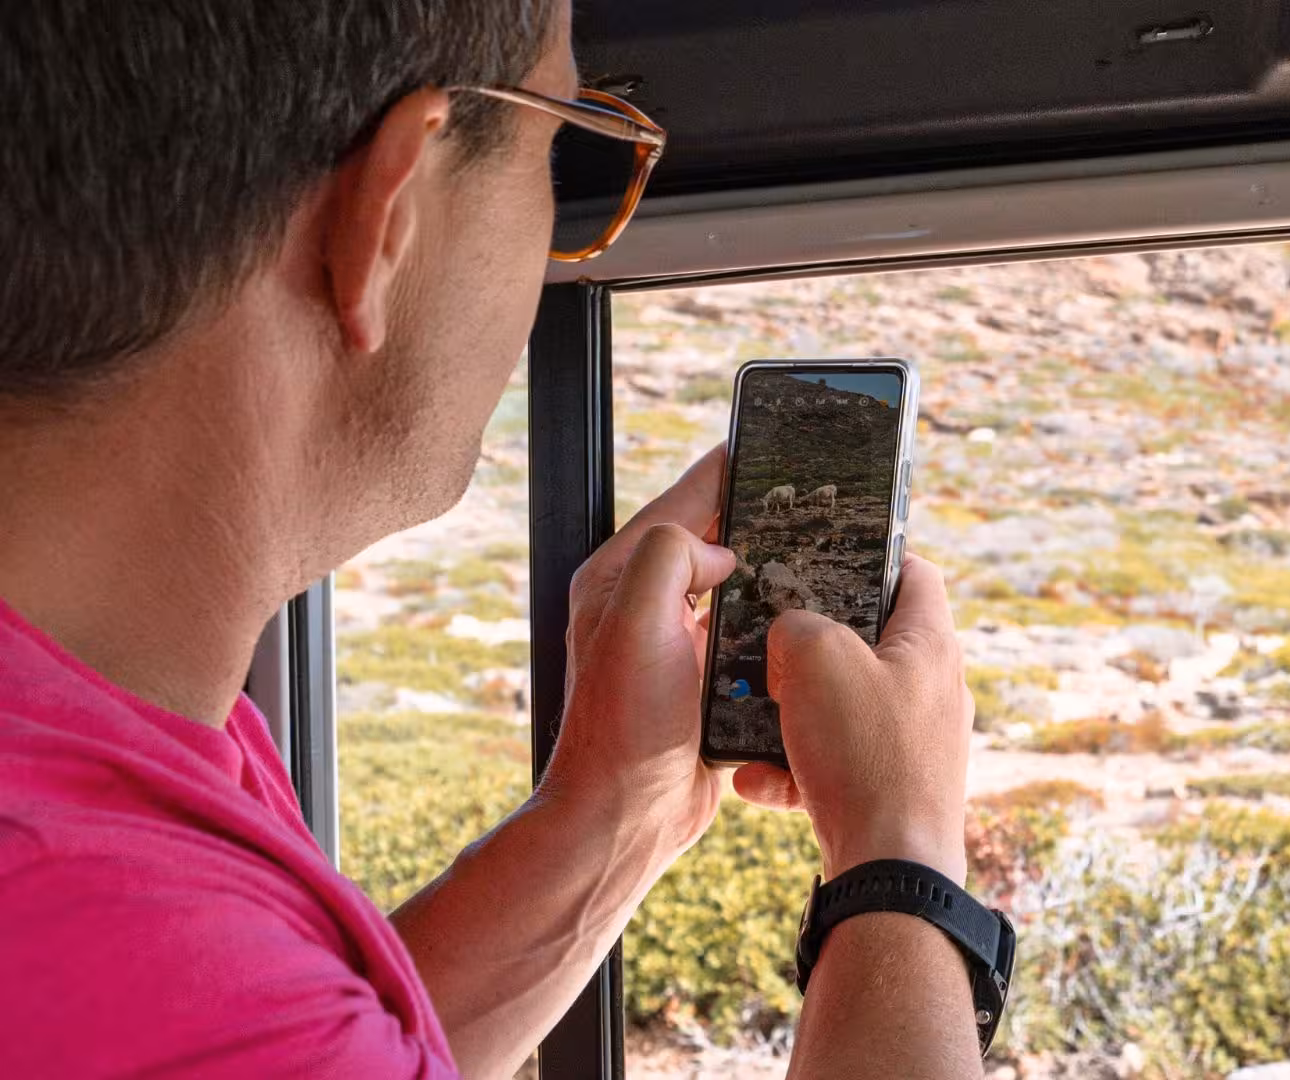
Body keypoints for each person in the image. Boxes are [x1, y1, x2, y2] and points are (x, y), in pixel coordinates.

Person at [0, 2, 981, 1078]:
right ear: (391, 212)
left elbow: (339, 1041)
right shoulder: (138, 939)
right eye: (557, 142)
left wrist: (616, 806)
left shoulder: (111, 762)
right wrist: (903, 858)